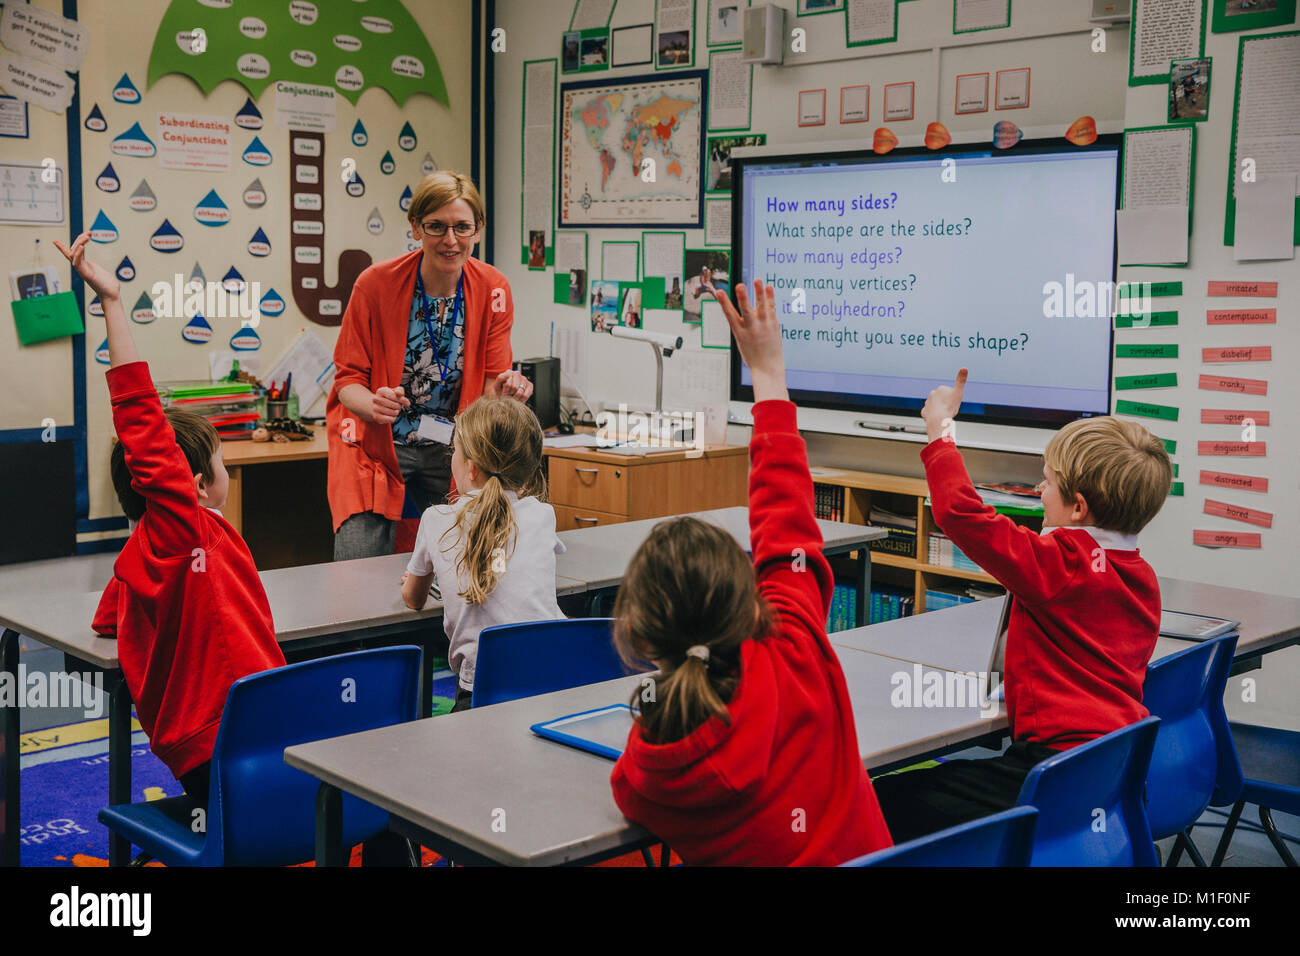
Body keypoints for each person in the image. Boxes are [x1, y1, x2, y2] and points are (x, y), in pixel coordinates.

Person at [608, 279, 893, 865]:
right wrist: (767, 372)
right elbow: (785, 514)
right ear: (748, 597)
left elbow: (628, 795)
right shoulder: (797, 648)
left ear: (636, 631)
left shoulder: (647, 768)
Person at [871, 370, 1173, 842]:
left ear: (1077, 507)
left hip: (1052, 774)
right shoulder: (1141, 575)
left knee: (882, 801)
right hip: (1115, 770)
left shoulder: (1062, 565)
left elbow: (961, 515)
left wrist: (941, 431)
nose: (1037, 490)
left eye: (1046, 482)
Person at [56, 233, 285, 809]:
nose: (224, 471)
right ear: (196, 486)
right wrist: (112, 302)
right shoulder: (183, 530)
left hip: (222, 740)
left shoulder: (146, 554)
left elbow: (113, 614)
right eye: (222, 462)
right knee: (377, 799)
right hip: (233, 737)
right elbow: (140, 419)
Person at [329, 171, 534, 561]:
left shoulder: (494, 288)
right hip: (379, 443)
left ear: (478, 230)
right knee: (357, 566)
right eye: (436, 227)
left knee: (464, 559)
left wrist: (507, 393)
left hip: (454, 447)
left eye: (462, 227)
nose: (450, 240)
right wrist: (373, 404)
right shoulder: (375, 285)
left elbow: (492, 383)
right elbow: (347, 381)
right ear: (416, 227)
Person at [401, 397, 565, 712]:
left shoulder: (437, 519)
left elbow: (413, 599)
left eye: (455, 452)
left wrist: (420, 577)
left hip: (479, 696)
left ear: (471, 468)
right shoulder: (542, 514)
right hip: (550, 685)